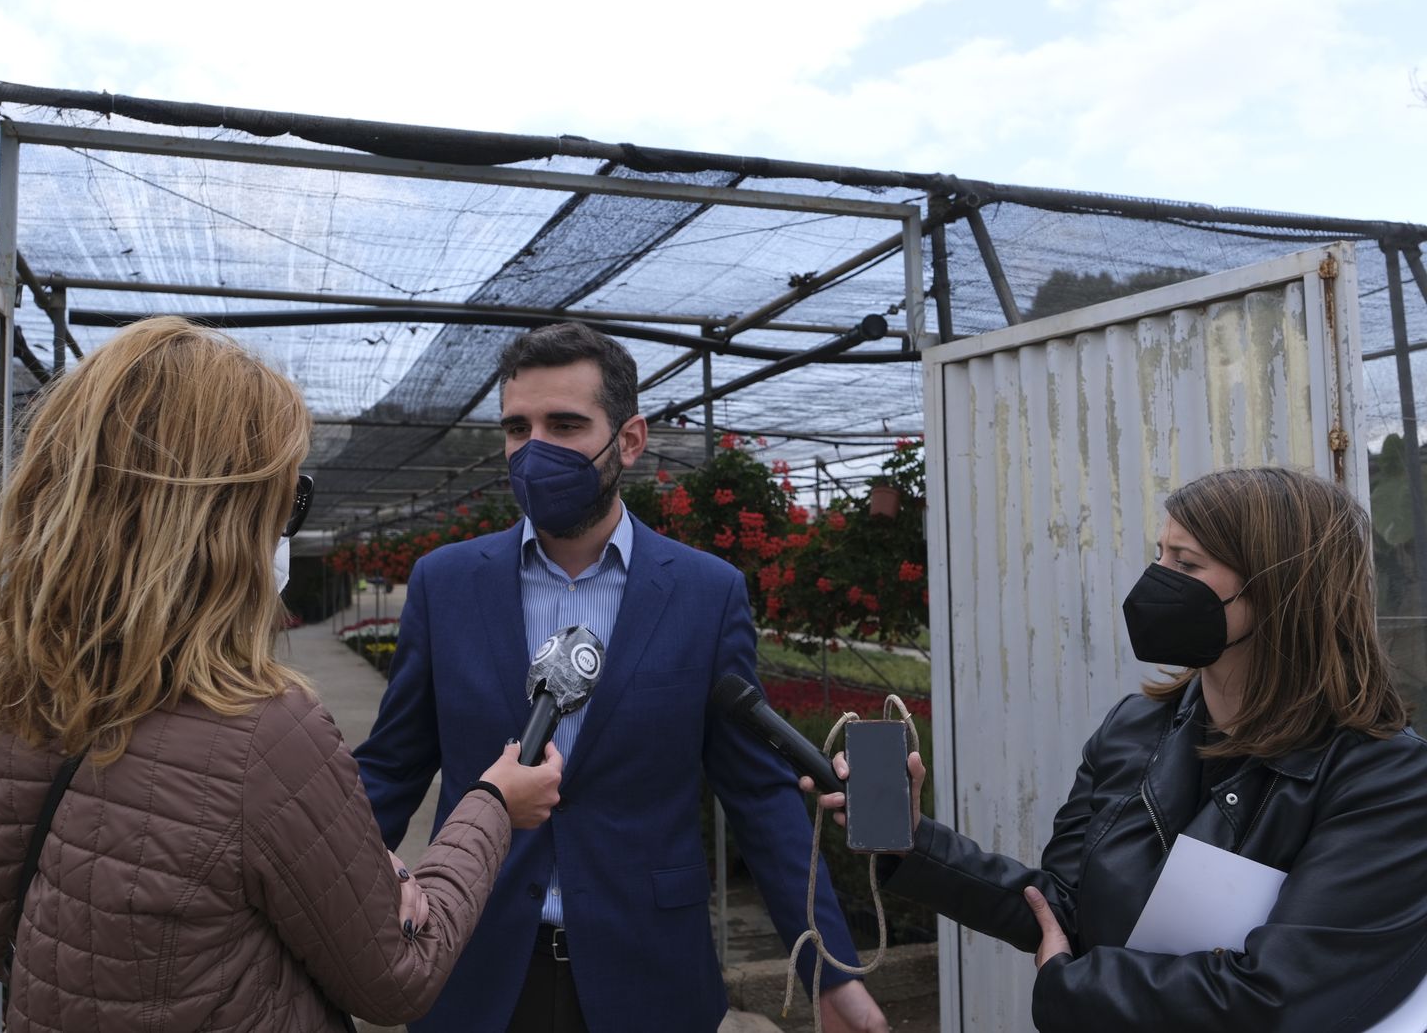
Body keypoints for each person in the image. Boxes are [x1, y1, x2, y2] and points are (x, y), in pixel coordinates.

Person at [0, 316, 564, 1033]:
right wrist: (490, 804)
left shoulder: (0, 697)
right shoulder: (260, 733)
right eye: (289, 497)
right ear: (226, 517)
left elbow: (0, 926)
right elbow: (397, 978)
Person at [355, 322, 888, 1033]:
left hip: (651, 976)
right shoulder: (446, 584)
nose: (534, 448)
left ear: (629, 441)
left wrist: (828, 968)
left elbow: (758, 795)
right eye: (518, 427)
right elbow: (391, 770)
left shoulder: (704, 593)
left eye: (565, 424)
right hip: (475, 970)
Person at [805, 466, 1427, 1032]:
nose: (1156, 582)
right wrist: (913, 839)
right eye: (1160, 556)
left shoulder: (1385, 777)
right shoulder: (1134, 727)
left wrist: (1074, 991)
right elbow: (1063, 908)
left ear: (1282, 590)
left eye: (1185, 565)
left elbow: (1281, 995)